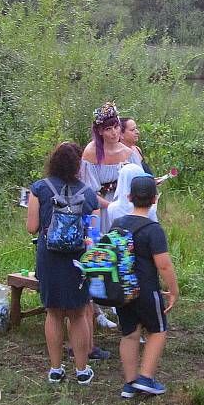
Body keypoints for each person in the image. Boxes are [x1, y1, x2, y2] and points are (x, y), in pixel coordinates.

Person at [27, 141, 99, 385]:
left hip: (49, 258)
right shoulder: (89, 195)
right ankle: (81, 369)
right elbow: (94, 234)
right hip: (77, 261)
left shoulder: (39, 188)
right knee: (79, 314)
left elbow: (31, 228)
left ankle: (56, 369)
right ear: (78, 165)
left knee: (54, 313)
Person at [80, 102, 142, 340]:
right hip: (101, 210)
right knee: (102, 256)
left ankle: (126, 302)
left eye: (116, 126)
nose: (114, 132)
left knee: (127, 256)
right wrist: (111, 206)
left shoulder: (130, 152)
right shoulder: (90, 154)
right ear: (99, 131)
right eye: (108, 128)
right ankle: (98, 308)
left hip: (126, 210)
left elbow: (139, 181)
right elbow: (88, 192)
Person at [113, 175, 178, 398]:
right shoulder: (153, 229)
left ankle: (130, 382)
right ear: (155, 199)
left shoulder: (117, 224)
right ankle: (146, 377)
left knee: (129, 333)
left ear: (129, 197)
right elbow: (164, 265)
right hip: (147, 290)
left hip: (122, 291)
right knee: (157, 331)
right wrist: (173, 290)